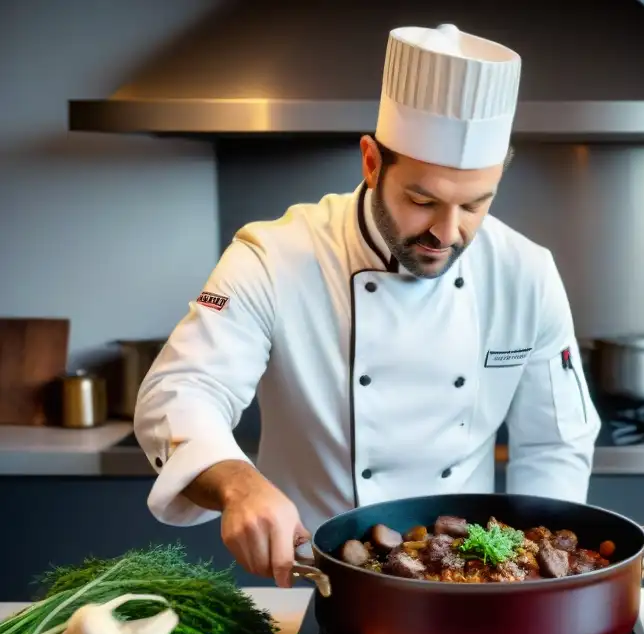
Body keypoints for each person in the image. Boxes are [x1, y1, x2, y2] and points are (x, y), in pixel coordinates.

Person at [134, 23, 601, 588]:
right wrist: (238, 483)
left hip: (472, 588)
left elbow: (557, 442)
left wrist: (535, 585)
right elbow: (179, 391)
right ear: (372, 162)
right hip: (315, 582)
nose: (447, 233)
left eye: (475, 205)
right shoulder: (274, 256)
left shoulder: (525, 273)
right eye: (421, 200)